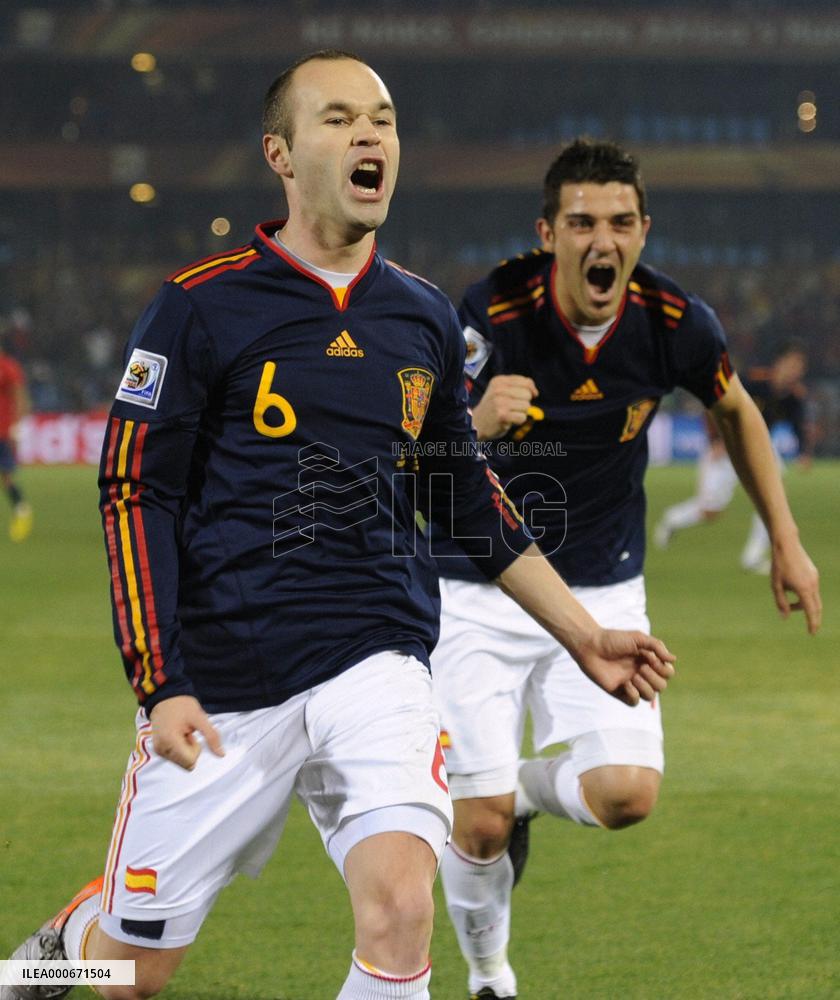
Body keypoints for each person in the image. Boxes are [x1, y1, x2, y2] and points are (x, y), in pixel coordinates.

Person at [2, 60, 675, 1000]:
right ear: (280, 154)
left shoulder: (423, 317)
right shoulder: (198, 306)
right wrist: (160, 685)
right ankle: (70, 939)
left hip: (381, 659)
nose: (371, 136)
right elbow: (133, 494)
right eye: (340, 118)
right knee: (130, 973)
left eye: (385, 120)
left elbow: (468, 500)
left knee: (402, 907)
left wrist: (585, 633)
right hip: (229, 678)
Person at [429, 139, 821, 1000]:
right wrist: (475, 420)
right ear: (548, 232)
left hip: (601, 585)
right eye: (580, 223)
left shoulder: (676, 322)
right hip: (477, 585)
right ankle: (490, 975)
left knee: (626, 795)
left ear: (643, 231)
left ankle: (520, 792)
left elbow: (736, 410)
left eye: (618, 222)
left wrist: (785, 540)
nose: (599, 240)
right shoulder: (489, 313)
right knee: (479, 824)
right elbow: (419, 448)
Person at [655, 340, 814, 573]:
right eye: (792, 363)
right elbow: (714, 402)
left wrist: (803, 453)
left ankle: (752, 556)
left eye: (799, 366)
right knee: (710, 511)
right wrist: (717, 440)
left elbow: (799, 425)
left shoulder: (794, 396)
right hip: (728, 445)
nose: (795, 370)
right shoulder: (753, 381)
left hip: (759, 448)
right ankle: (672, 519)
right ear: (779, 363)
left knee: (774, 499)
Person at [0, 337, 33, 542]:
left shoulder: (8, 368)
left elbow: (21, 397)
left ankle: (21, 511)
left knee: (7, 477)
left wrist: (18, 426)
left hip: (3, 432)